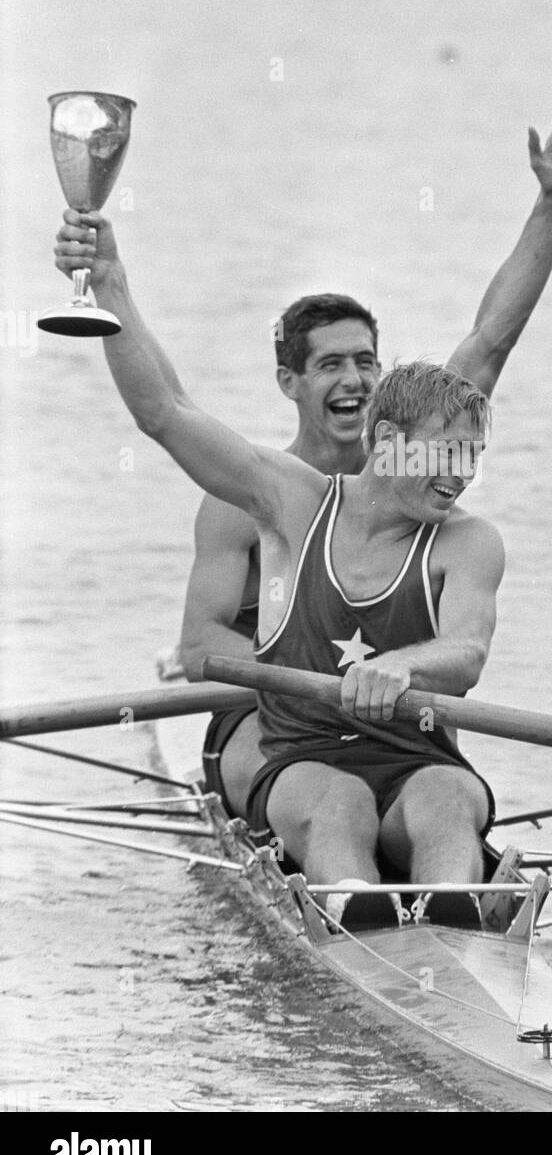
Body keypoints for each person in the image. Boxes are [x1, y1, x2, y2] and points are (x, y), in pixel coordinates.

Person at [53, 219, 504, 926]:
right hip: (300, 754)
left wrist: (404, 669)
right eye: (448, 457)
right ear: (390, 444)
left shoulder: (469, 541)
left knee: (450, 797)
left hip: (416, 752)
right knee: (340, 804)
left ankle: (456, 928)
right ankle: (363, 928)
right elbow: (165, 412)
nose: (461, 480)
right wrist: (109, 283)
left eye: (474, 459)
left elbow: (468, 652)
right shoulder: (292, 501)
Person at [174, 96, 552, 820]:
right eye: (332, 366)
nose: (355, 382)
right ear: (291, 383)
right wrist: (310, 672)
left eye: (367, 362)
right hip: (270, 708)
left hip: (388, 707)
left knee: (438, 779)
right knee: (295, 777)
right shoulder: (250, 495)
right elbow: (197, 645)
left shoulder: (428, 446)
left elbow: (494, 335)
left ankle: (431, 847)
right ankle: (309, 835)